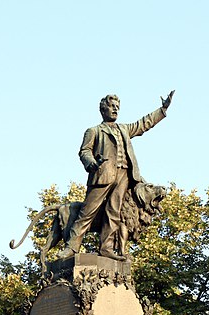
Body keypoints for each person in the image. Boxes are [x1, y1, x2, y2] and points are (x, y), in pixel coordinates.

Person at [58, 91, 175, 261]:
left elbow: (144, 124)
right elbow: (84, 151)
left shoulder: (124, 129)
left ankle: (106, 247)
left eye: (117, 107)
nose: (115, 110)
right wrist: (91, 163)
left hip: (124, 176)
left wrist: (162, 109)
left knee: (114, 213)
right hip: (102, 175)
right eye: (112, 107)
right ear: (103, 110)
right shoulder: (94, 131)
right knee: (87, 212)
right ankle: (71, 247)